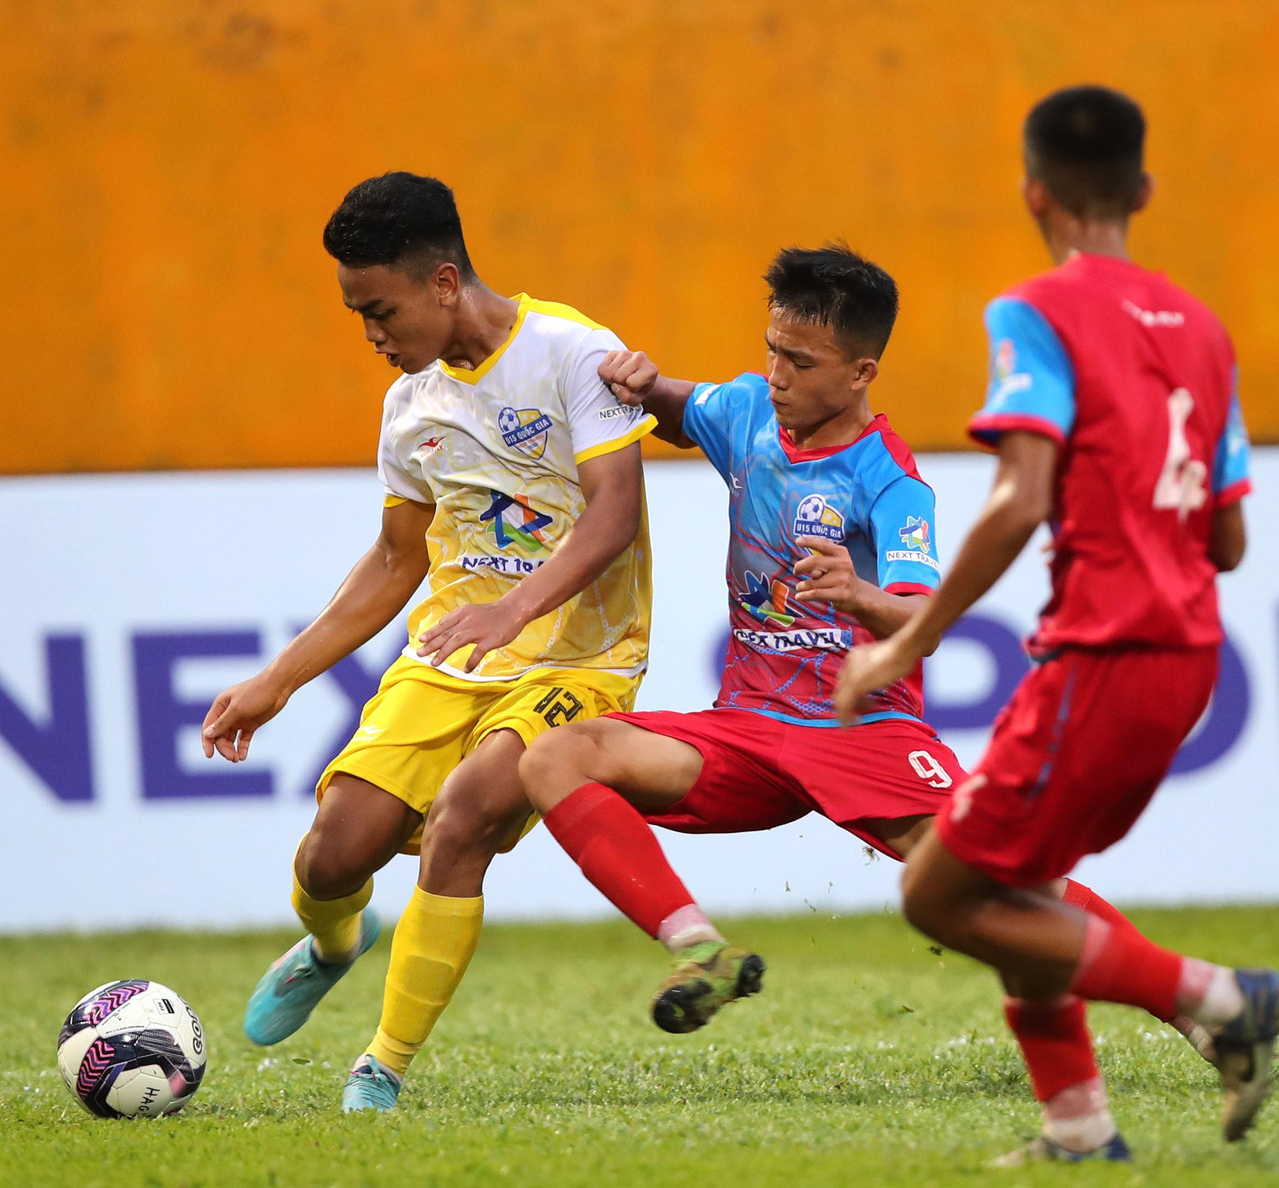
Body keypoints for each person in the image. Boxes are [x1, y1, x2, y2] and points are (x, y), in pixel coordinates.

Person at [519, 245, 1199, 1055]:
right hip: (748, 730)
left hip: (861, 730)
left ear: (860, 372)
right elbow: (675, 406)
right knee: (557, 757)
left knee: (1010, 887)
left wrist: (857, 595)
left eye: (800, 362)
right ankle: (700, 950)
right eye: (771, 350)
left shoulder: (890, 481)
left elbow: (921, 619)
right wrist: (641, 382)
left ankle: (1198, 1009)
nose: (776, 374)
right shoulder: (747, 412)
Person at [834, 86, 1279, 1163]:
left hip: (1104, 650)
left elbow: (1021, 494)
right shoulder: (1206, 330)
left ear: (1033, 192)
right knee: (1020, 882)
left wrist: (906, 639)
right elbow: (1229, 543)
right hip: (1190, 656)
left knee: (937, 893)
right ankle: (1077, 1125)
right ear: (1144, 189)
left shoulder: (1033, 312)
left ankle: (1222, 998)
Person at [199, 171, 656, 1112]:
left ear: (444, 283)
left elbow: (614, 515)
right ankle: (334, 942)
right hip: (452, 656)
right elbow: (395, 559)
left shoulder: (575, 353)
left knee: (464, 818)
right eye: (358, 315)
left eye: (381, 310)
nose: (371, 334)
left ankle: (383, 1064)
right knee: (333, 856)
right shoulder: (411, 406)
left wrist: (513, 611)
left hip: (579, 662)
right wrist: (278, 680)